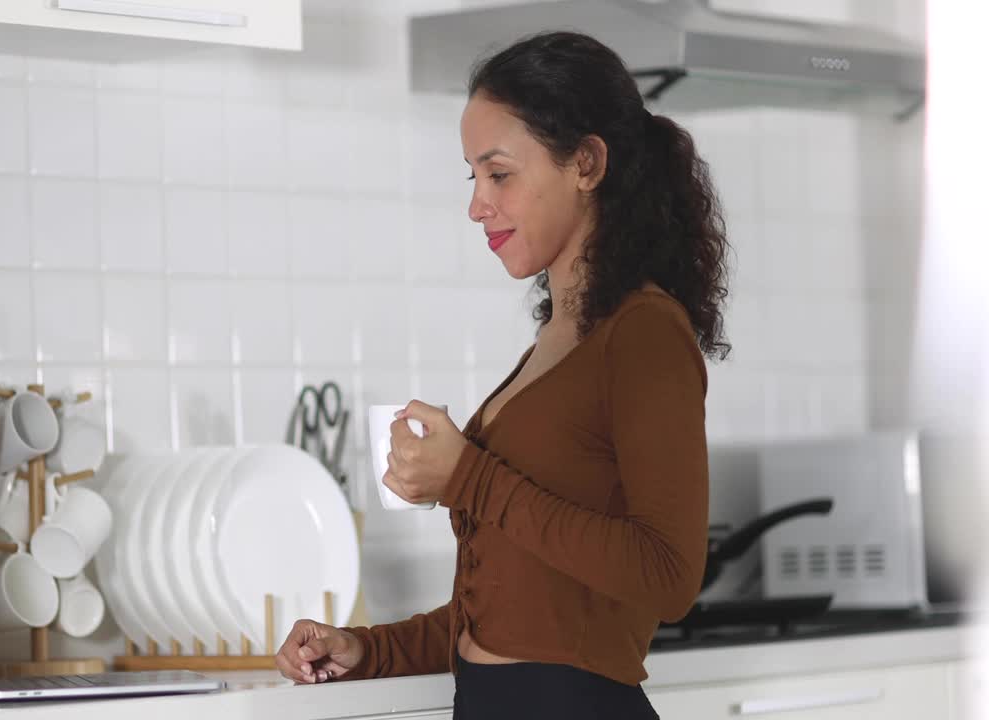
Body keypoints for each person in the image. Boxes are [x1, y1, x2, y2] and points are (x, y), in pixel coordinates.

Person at [275, 30, 730, 720]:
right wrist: (369, 649)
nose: (477, 204)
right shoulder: (557, 341)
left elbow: (667, 577)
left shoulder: (643, 333)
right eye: (474, 177)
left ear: (586, 162)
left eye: (500, 174)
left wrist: (468, 478)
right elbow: (511, 615)